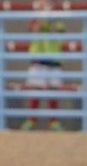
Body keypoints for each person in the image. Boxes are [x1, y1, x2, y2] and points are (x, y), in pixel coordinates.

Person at [22, 0, 67, 131]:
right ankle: (31, 120)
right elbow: (34, 29)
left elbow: (59, 32)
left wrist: (51, 16)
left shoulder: (58, 18)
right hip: (38, 60)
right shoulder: (35, 17)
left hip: (54, 60)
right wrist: (42, 15)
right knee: (35, 90)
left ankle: (54, 121)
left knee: (53, 92)